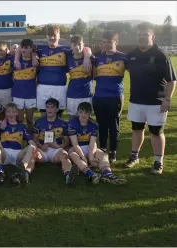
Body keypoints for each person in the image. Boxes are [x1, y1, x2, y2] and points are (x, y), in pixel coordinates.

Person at [125, 22, 176, 174]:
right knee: (136, 129)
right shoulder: (132, 55)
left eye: (145, 35)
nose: (141, 37)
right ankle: (134, 156)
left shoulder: (161, 55)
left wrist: (167, 99)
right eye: (139, 35)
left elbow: (172, 80)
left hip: (156, 102)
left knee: (156, 132)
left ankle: (158, 161)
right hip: (136, 101)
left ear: (152, 35)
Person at [15, 25, 92, 118]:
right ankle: (44, 132)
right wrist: (17, 60)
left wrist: (87, 57)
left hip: (59, 87)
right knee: (44, 114)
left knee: (58, 114)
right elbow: (20, 47)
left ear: (59, 36)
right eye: (49, 35)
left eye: (54, 35)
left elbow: (86, 48)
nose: (52, 38)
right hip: (43, 87)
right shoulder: (39, 48)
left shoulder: (66, 49)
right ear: (46, 36)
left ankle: (57, 132)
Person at [67, 102, 127, 185]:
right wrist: (83, 156)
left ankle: (107, 174)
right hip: (76, 149)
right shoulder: (72, 123)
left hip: (89, 147)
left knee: (103, 155)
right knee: (73, 155)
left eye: (86, 113)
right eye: (81, 112)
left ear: (90, 114)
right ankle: (91, 174)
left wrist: (91, 158)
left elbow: (92, 143)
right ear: (77, 112)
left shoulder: (94, 124)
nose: (83, 115)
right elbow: (74, 144)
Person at [92, 30, 128, 163]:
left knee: (113, 125)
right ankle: (102, 148)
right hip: (99, 96)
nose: (107, 45)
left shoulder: (124, 58)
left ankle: (113, 151)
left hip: (114, 97)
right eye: (105, 42)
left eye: (110, 42)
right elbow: (94, 75)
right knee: (101, 125)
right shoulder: (97, 58)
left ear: (116, 42)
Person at [0, 103, 37, 185]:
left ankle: (20, 172)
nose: (11, 114)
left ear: (17, 113)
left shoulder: (22, 126)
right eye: (8, 112)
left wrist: (36, 149)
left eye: (13, 112)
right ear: (5, 113)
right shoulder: (1, 124)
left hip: (18, 154)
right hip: (4, 154)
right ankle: (0, 171)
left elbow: (31, 142)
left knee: (31, 147)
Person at [33, 98, 76, 185]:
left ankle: (68, 175)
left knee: (64, 156)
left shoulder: (63, 124)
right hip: (42, 150)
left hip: (56, 151)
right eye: (48, 107)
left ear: (57, 109)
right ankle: (25, 173)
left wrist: (59, 147)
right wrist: (40, 146)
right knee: (32, 155)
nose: (49, 109)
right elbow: (34, 140)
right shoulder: (38, 122)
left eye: (52, 107)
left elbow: (67, 142)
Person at [12, 39, 37, 132]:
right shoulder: (15, 61)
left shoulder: (36, 62)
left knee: (30, 121)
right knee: (19, 120)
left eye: (26, 48)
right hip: (18, 94)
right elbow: (14, 49)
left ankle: (31, 138)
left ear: (31, 49)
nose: (23, 50)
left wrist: (34, 56)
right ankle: (19, 138)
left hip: (30, 95)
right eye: (22, 48)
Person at [66, 35, 93, 119]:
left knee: (87, 119)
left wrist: (87, 57)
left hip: (86, 93)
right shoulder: (67, 57)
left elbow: (88, 49)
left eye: (79, 44)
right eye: (74, 45)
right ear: (71, 46)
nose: (77, 47)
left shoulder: (91, 59)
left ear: (83, 44)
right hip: (72, 94)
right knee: (72, 119)